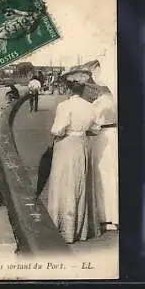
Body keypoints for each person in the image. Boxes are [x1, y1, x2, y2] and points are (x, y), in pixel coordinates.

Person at [47, 79, 102, 243]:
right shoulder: (90, 106)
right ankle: (80, 229)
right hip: (82, 145)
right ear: (83, 89)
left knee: (63, 183)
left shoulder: (64, 106)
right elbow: (96, 128)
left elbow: (58, 129)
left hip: (66, 145)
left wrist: (58, 132)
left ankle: (63, 228)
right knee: (79, 183)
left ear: (68, 89)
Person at [90, 86, 118, 231]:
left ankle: (106, 217)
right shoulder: (116, 99)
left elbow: (93, 125)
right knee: (115, 174)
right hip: (116, 135)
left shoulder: (99, 103)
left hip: (103, 137)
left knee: (103, 175)